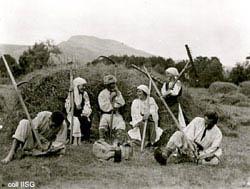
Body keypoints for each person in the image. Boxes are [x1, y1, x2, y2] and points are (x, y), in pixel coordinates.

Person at [154, 110, 223, 166]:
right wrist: (191, 145)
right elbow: (188, 133)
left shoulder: (218, 133)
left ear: (214, 123)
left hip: (201, 152)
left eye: (209, 123)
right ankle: (165, 156)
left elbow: (213, 148)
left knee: (215, 161)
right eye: (205, 121)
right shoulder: (197, 120)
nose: (206, 124)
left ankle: (190, 159)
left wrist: (203, 155)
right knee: (178, 134)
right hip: (189, 145)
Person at [1, 111, 67, 164]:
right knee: (24, 122)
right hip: (32, 140)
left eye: (56, 127)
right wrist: (40, 137)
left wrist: (50, 146)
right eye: (52, 125)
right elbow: (33, 128)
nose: (53, 128)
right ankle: (10, 155)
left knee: (61, 149)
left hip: (46, 146)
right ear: (49, 119)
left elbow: (60, 142)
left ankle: (27, 152)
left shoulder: (63, 125)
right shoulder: (43, 115)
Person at [98, 74, 126, 146]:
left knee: (121, 124)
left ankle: (118, 141)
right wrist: (111, 101)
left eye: (114, 84)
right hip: (106, 114)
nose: (113, 86)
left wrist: (117, 95)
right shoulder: (102, 94)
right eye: (111, 84)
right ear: (107, 85)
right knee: (103, 123)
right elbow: (103, 106)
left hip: (116, 114)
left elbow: (122, 103)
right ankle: (102, 140)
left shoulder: (118, 93)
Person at [65, 77, 92, 145]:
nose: (84, 87)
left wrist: (85, 113)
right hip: (72, 115)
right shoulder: (71, 94)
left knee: (86, 120)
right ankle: (74, 140)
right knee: (75, 122)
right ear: (77, 86)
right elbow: (68, 106)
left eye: (84, 86)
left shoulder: (84, 94)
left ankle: (84, 139)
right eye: (82, 86)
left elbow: (87, 104)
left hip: (81, 114)